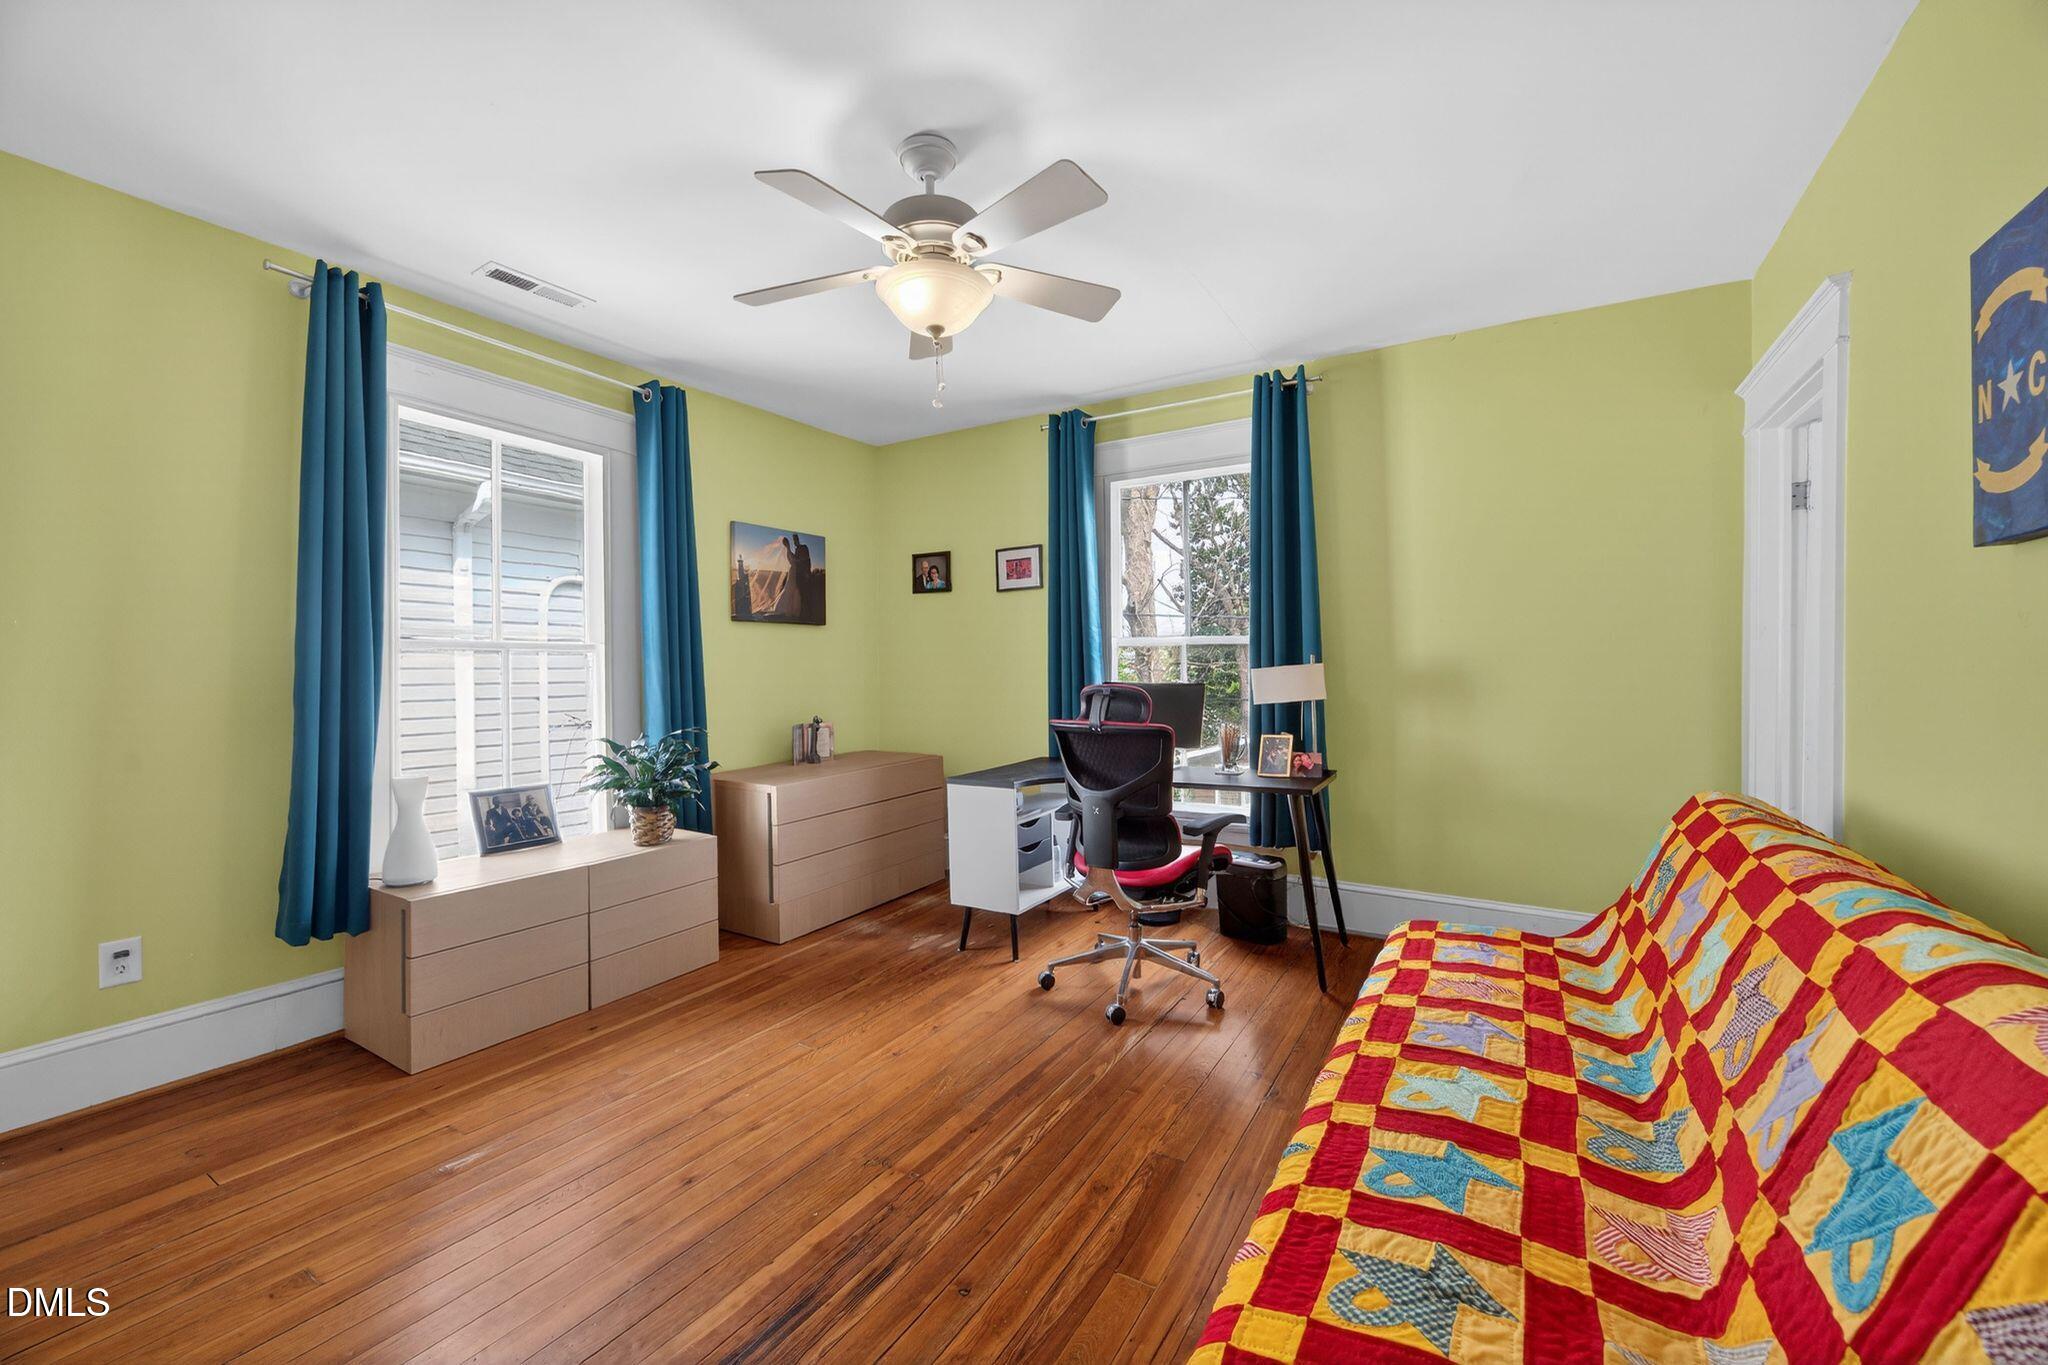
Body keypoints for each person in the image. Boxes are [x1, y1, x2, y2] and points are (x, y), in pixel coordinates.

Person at [783, 534, 817, 622]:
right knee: (800, 595)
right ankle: (803, 614)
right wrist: (788, 549)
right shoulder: (796, 549)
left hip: (804, 575)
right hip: (798, 576)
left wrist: (807, 573)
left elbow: (806, 560)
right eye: (793, 540)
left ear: (798, 539)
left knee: (806, 595)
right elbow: (794, 559)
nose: (794, 542)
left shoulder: (804, 547)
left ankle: (810, 615)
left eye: (795, 540)